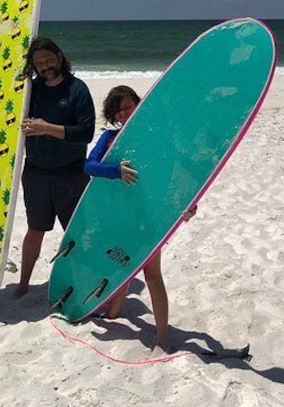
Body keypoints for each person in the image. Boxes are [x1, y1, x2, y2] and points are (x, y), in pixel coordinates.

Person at [84, 84, 195, 352]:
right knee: (122, 264)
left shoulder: (155, 139)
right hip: (121, 215)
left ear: (139, 104)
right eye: (118, 110)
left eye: (128, 106)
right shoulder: (110, 138)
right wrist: (115, 170)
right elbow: (89, 165)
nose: (124, 113)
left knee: (152, 274)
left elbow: (177, 173)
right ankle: (113, 314)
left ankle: (161, 338)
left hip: (150, 215)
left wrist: (191, 204)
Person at [14, 37, 95, 298]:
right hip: (35, 172)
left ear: (59, 57)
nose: (44, 66)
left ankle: (81, 280)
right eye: (38, 63)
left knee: (74, 233)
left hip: (71, 174)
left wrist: (46, 128)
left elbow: (86, 132)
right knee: (35, 229)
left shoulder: (77, 89)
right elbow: (8, 117)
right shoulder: (31, 90)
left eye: (48, 59)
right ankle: (23, 283)